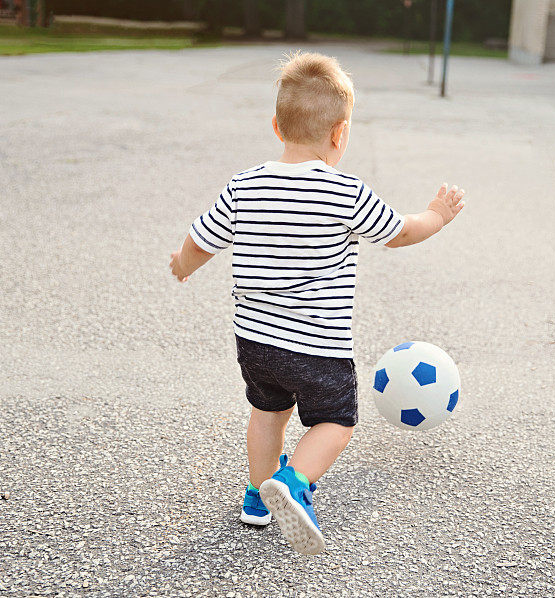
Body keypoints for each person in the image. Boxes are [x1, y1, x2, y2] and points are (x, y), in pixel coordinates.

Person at [169, 51, 465, 555]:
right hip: (316, 346)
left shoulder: (244, 184)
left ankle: (256, 499)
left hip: (255, 342)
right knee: (335, 422)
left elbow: (202, 241)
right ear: (340, 133)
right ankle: (296, 481)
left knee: (268, 413)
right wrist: (437, 213)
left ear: (276, 126)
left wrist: (182, 264)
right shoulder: (345, 191)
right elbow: (400, 233)